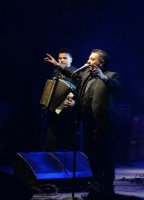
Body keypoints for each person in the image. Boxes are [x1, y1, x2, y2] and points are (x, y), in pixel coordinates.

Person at [44, 49, 121, 195]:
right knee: (92, 156)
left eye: (92, 59)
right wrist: (56, 64)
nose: (88, 61)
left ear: (101, 62)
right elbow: (71, 73)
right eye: (89, 58)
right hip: (88, 122)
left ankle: (109, 188)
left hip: (103, 124)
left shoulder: (111, 75)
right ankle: (97, 185)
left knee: (106, 156)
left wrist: (103, 77)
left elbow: (117, 86)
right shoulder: (84, 75)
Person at [43, 48, 77, 152]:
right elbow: (50, 89)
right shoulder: (55, 72)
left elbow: (79, 92)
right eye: (60, 58)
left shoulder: (75, 74)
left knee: (68, 142)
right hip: (54, 111)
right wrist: (46, 103)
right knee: (51, 141)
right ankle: (52, 162)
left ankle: (67, 165)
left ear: (71, 60)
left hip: (68, 112)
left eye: (65, 58)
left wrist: (74, 101)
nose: (61, 60)